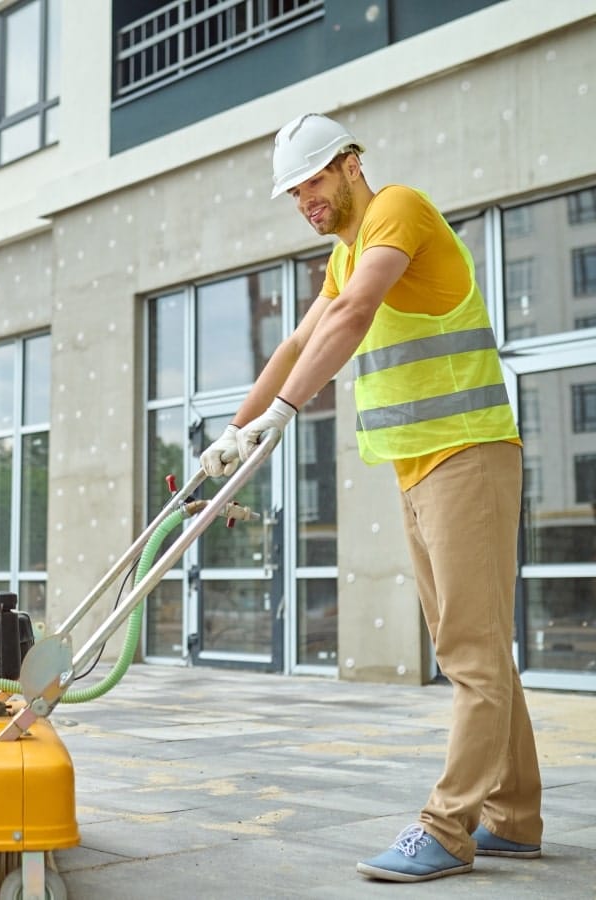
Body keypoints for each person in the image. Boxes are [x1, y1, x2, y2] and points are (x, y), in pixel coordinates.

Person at [199, 113, 543, 883]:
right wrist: (233, 432)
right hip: (417, 466)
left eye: (313, 181)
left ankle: (448, 828)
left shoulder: (398, 210)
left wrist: (285, 415)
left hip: (468, 453)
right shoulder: (344, 251)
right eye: (293, 192)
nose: (304, 201)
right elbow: (295, 343)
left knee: (468, 654)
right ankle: (514, 819)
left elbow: (354, 316)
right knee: (478, 647)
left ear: (352, 164)